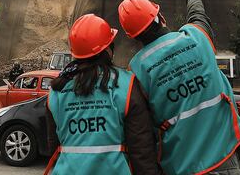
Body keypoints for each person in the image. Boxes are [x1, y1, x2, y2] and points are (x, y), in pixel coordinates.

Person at [118, 0, 240, 175]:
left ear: (132, 36)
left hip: (179, 166)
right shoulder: (195, 37)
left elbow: (142, 129)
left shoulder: (137, 69)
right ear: (160, 17)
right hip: (224, 157)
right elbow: (198, 17)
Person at [45, 14, 160, 175]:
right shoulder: (126, 85)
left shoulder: (56, 90)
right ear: (107, 49)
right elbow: (141, 150)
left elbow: (54, 146)